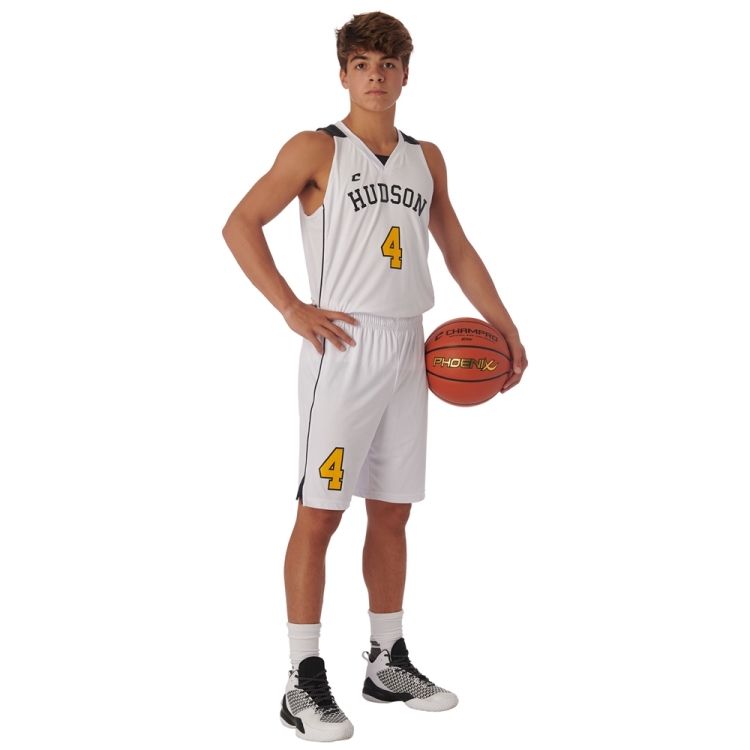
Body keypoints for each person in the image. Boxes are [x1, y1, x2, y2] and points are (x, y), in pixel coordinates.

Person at [222, 11, 528, 743]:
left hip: (409, 347)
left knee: (392, 511)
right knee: (320, 512)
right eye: (362, 64)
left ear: (406, 74)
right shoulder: (315, 148)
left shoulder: (427, 159)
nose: (376, 76)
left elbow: (456, 248)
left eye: (388, 64)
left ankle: (386, 660)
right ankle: (302, 679)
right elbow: (240, 223)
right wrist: (292, 307)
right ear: (343, 74)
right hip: (343, 347)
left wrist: (506, 327)